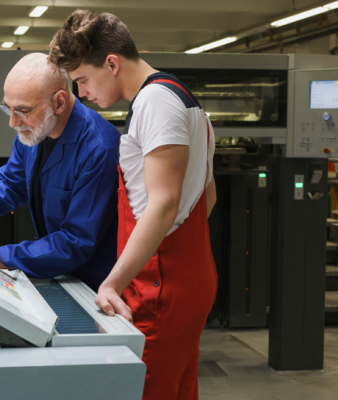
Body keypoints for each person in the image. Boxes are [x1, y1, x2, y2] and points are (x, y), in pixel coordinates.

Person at [48, 10, 218, 400]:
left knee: (146, 390)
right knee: (178, 388)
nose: (82, 94)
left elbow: (163, 205)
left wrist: (114, 283)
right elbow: (207, 196)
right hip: (185, 276)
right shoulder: (184, 99)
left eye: (83, 80)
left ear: (111, 63)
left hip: (160, 285)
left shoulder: (155, 103)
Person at [0, 53, 121, 292]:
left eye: (22, 110)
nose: (12, 122)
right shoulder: (34, 131)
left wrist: (2, 255)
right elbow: (12, 182)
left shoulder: (100, 149)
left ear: (59, 103)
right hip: (61, 274)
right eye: (8, 108)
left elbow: (76, 241)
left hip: (97, 285)